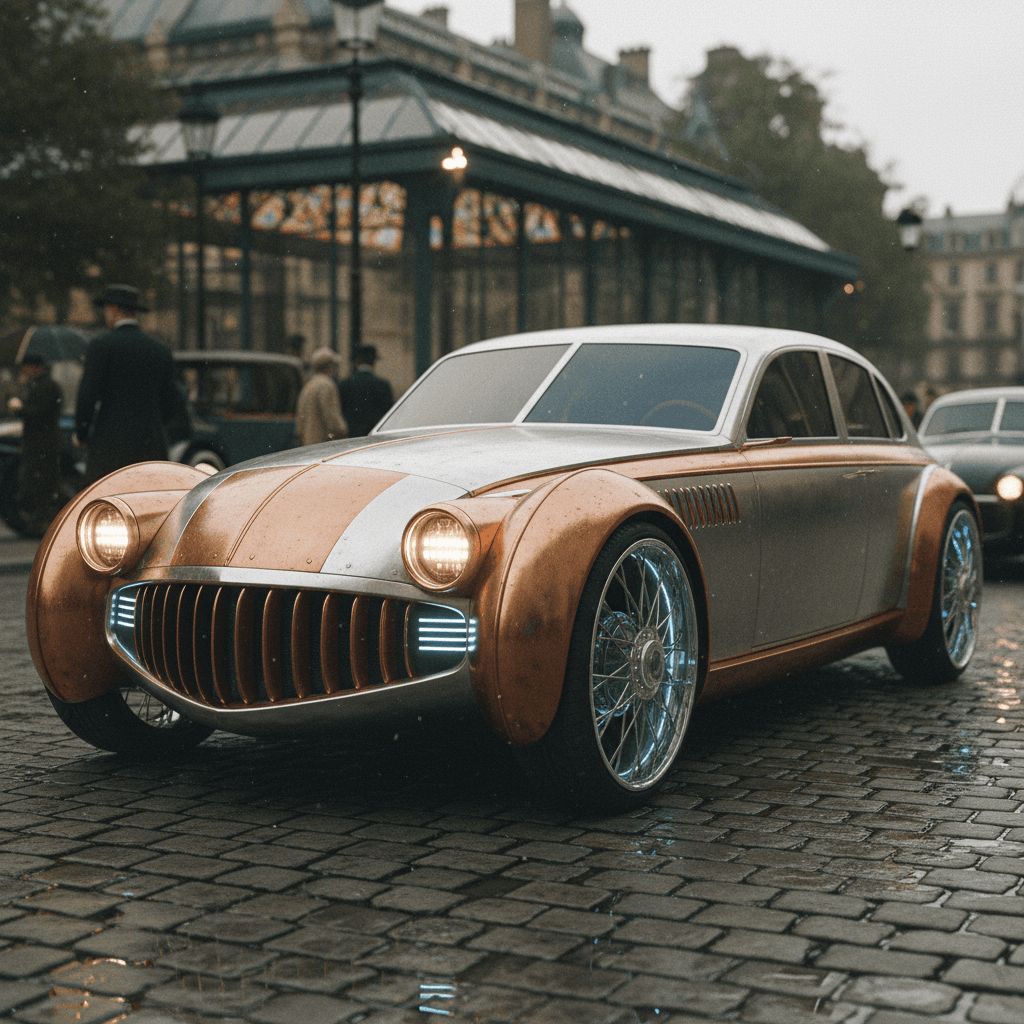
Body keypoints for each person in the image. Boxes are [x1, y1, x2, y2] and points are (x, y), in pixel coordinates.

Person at [75, 284, 178, 485]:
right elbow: (171, 404)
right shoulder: (160, 350)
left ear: (113, 310)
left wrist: (82, 433)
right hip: (150, 446)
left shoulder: (101, 346)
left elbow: (87, 395)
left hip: (110, 446)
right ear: (134, 312)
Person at [13, 354, 63, 535]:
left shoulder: (44, 386)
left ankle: (42, 522)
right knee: (41, 483)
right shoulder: (42, 385)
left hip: (41, 444)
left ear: (34, 367)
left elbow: (39, 413)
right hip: (43, 443)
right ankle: (40, 520)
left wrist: (20, 410)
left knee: (40, 484)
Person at [336, 344, 394, 437]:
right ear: (373, 362)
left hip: (351, 436)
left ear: (356, 362)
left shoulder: (344, 384)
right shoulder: (383, 385)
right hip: (374, 436)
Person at [295, 347, 347, 446]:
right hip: (322, 442)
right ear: (329, 366)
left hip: (308, 441)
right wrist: (341, 431)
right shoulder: (327, 385)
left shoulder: (309, 384)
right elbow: (331, 416)